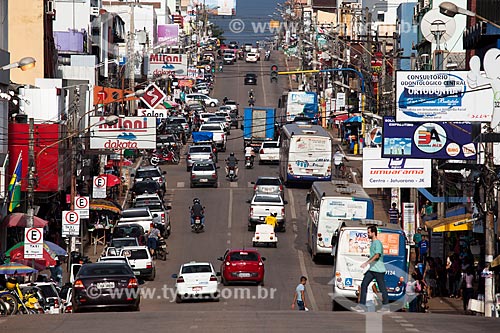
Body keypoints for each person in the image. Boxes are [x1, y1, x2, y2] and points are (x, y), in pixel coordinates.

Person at [351, 225, 389, 313]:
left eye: (368, 232)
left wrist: (367, 262)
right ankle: (362, 306)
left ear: (373, 233)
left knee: (382, 288)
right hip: (372, 269)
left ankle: (386, 306)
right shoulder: (373, 243)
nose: (367, 234)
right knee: (364, 284)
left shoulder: (377, 243)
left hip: (378, 270)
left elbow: (377, 255)